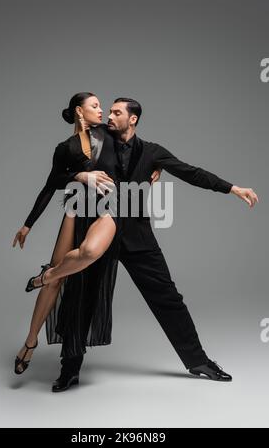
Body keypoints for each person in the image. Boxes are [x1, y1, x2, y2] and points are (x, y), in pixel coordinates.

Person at [51, 97, 259, 391]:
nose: (109, 115)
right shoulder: (97, 140)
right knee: (82, 298)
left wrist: (232, 188)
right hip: (99, 230)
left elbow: (191, 172)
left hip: (137, 236)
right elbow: (69, 159)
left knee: (168, 298)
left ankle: (198, 361)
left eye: (116, 112)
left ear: (133, 119)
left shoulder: (152, 152)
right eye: (108, 110)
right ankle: (69, 370)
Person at [12, 92, 161, 377]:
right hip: (76, 209)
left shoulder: (109, 133)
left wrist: (158, 166)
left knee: (79, 276)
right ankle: (30, 343)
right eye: (95, 106)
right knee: (56, 278)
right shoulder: (65, 148)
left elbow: (138, 149)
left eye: (103, 107)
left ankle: (70, 357)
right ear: (80, 112)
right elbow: (51, 184)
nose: (102, 111)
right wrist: (28, 224)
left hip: (107, 211)